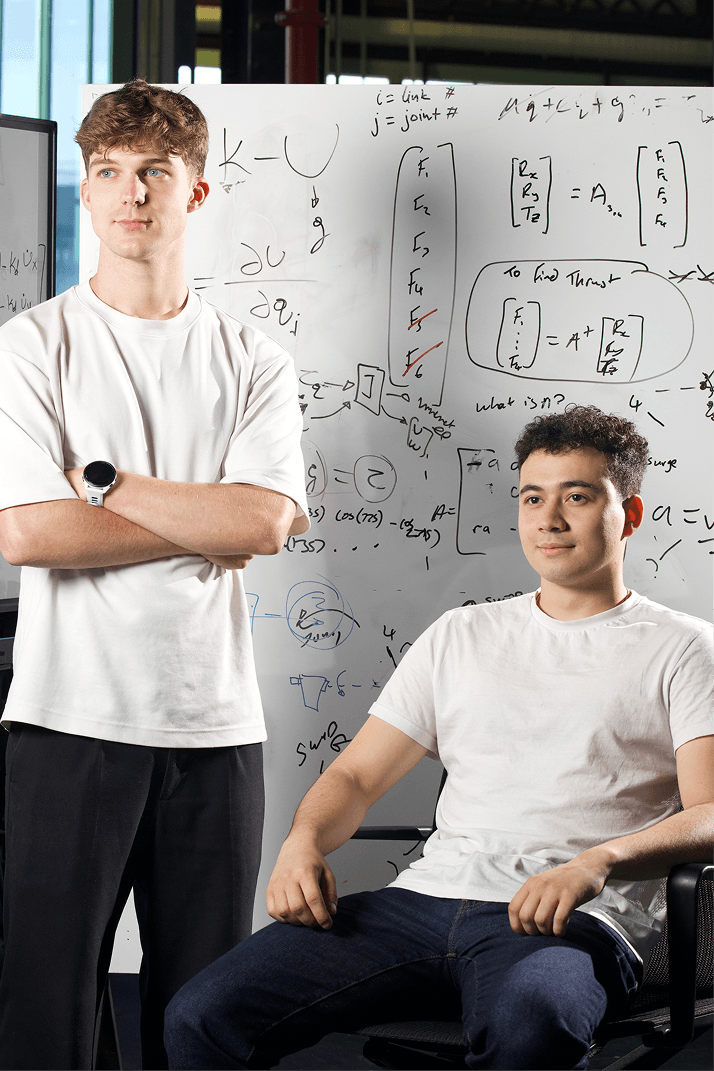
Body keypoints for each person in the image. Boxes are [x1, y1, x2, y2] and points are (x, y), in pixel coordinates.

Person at [165, 406, 713, 1071]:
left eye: (577, 496)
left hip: (566, 921)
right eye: (532, 498)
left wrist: (597, 860)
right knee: (203, 1012)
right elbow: (356, 776)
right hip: (420, 905)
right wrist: (302, 842)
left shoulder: (684, 648)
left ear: (628, 515)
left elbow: (709, 812)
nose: (548, 518)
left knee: (533, 1024)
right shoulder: (462, 634)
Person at [0, 79, 308, 1070]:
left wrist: (104, 486)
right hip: (69, 718)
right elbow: (27, 533)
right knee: (46, 1016)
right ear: (87, 190)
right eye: (108, 172)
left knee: (204, 1016)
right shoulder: (30, 348)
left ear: (196, 192)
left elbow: (262, 522)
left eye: (155, 173)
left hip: (216, 729)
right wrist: (203, 521)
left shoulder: (252, 357)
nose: (130, 193)